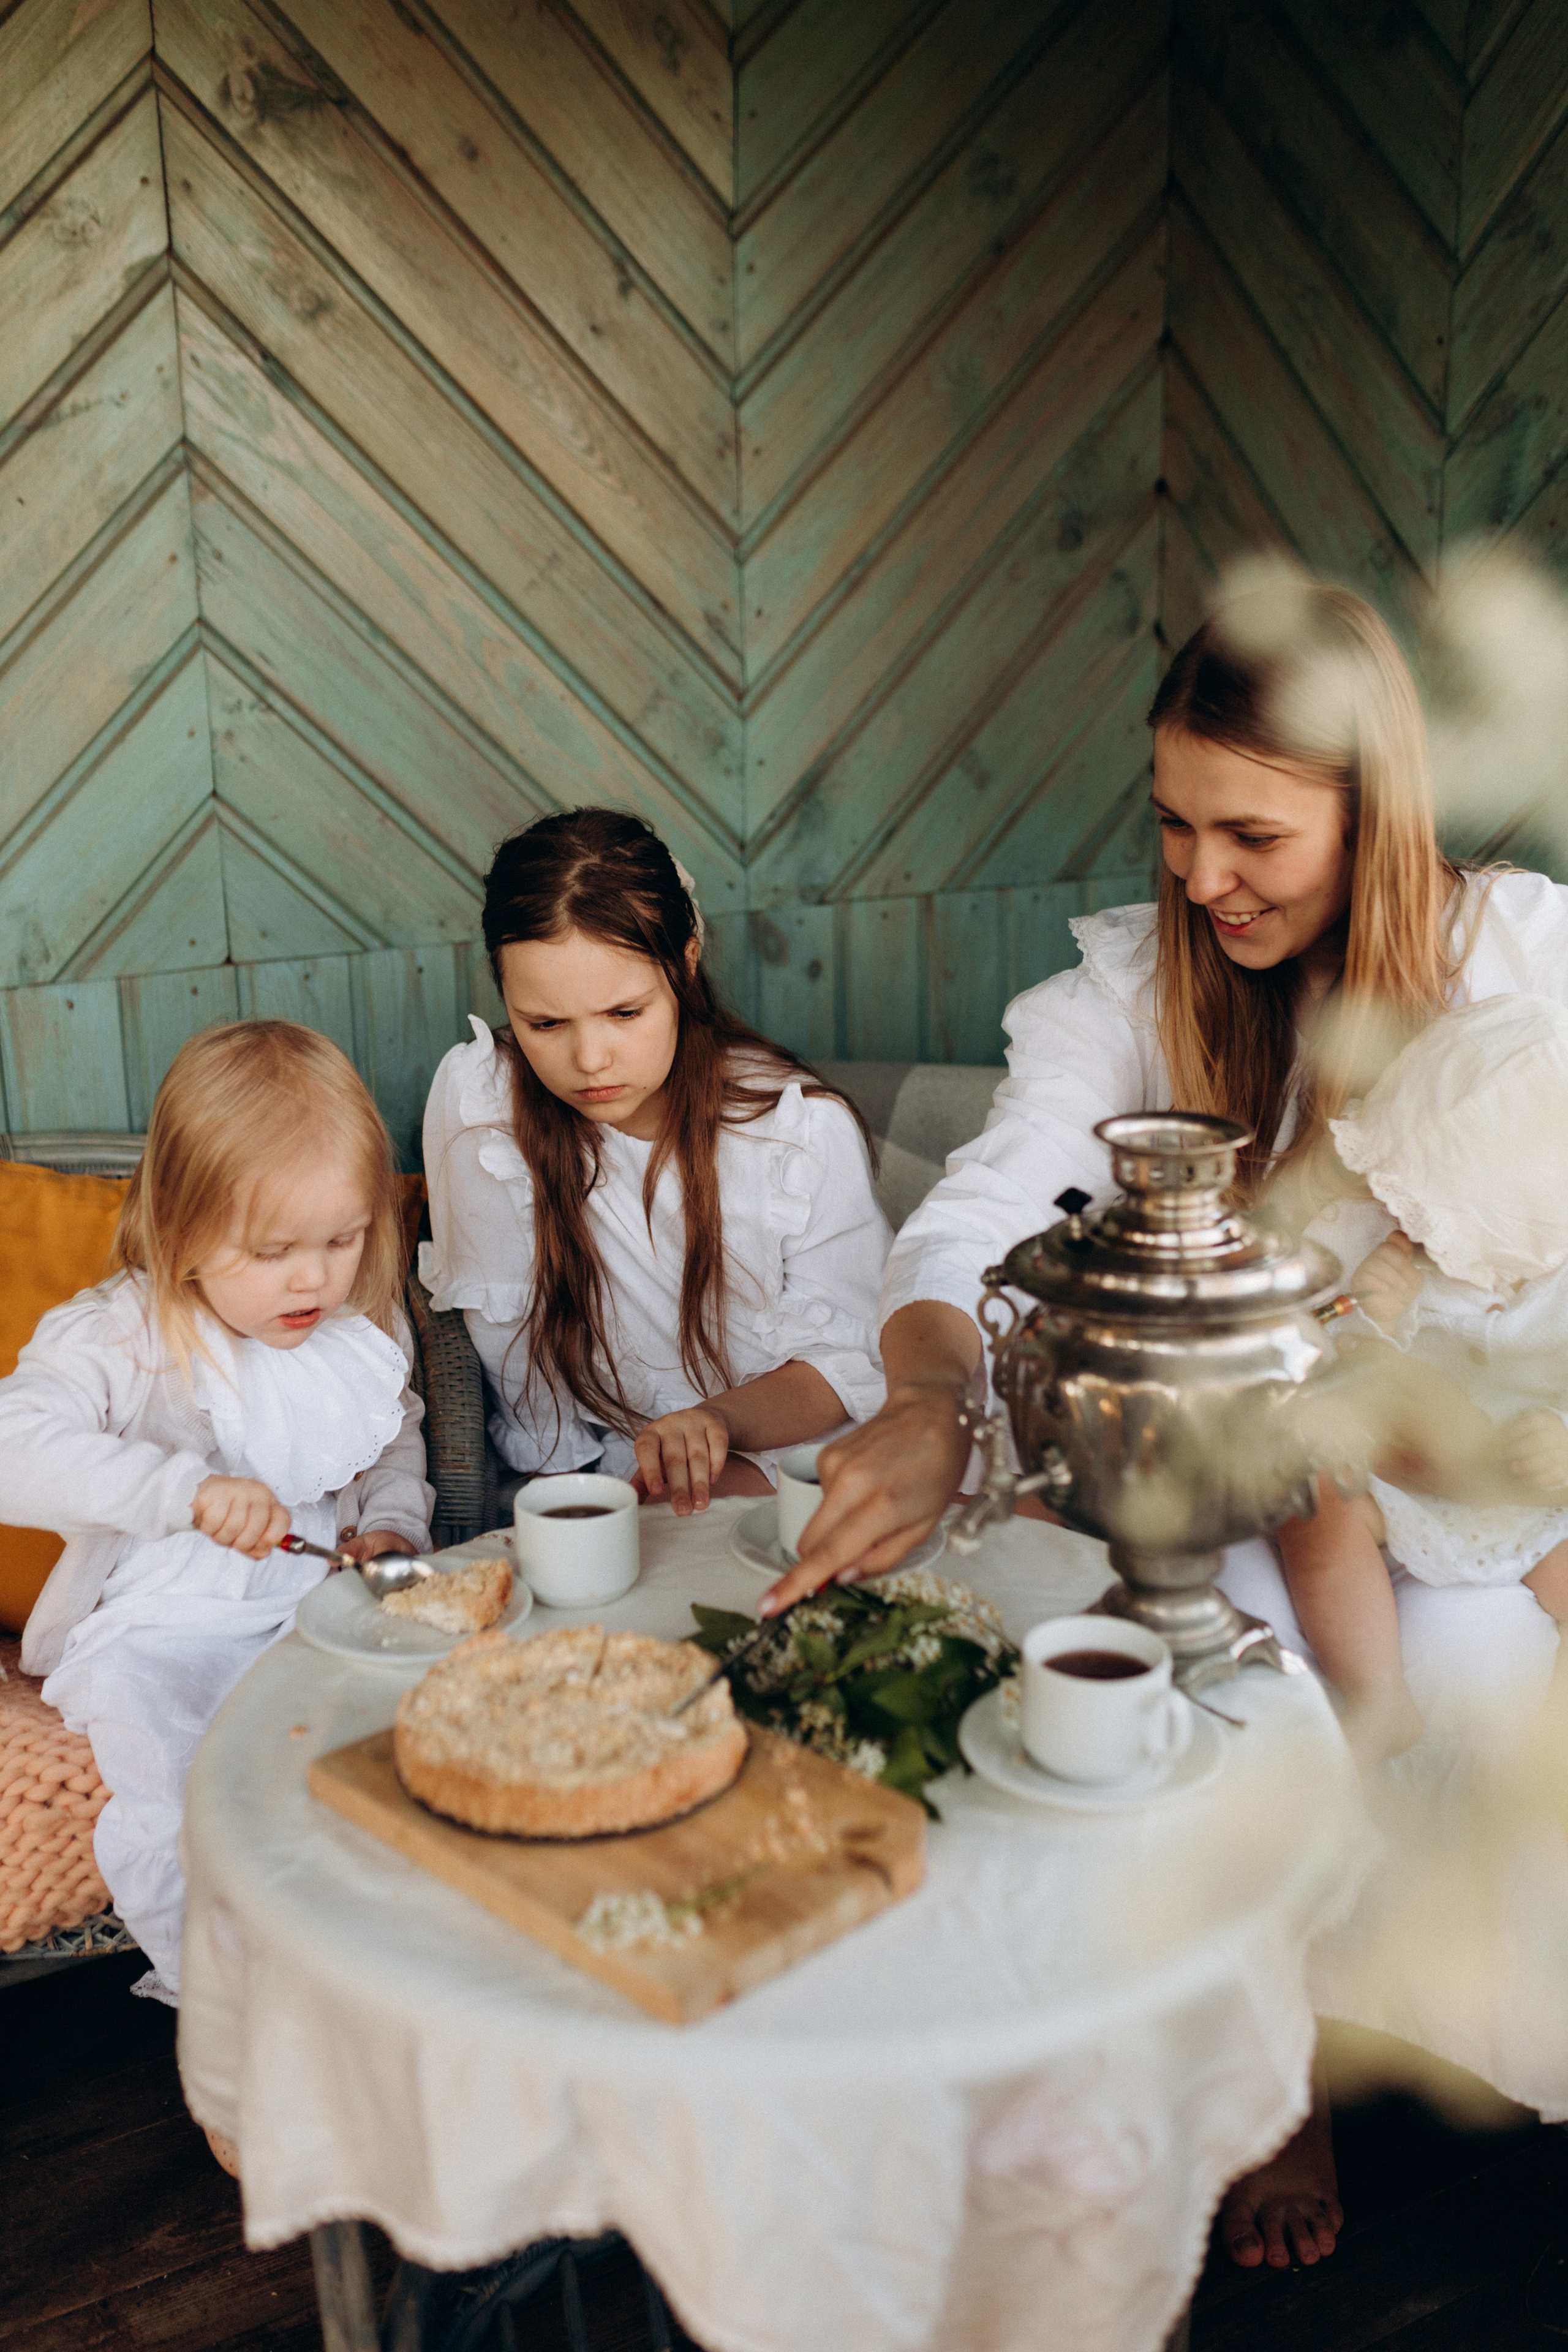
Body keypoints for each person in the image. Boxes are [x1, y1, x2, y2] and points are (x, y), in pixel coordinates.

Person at [764, 579, 1568, 2268]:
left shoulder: (1522, 960)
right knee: (1206, 1669)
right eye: (1175, 824)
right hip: (1248, 1476)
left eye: (1252, 834)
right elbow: (984, 1206)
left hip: (1474, 1459)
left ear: (1374, 810)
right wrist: (927, 1394)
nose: (1201, 877)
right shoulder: (1133, 989)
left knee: (1491, 1653)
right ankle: (1273, 2080)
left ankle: (1421, 2024)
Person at [2, 1022, 433, 2008]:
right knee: (175, 1781)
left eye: (343, 1239)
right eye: (273, 1250)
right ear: (181, 1223)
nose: (313, 1279)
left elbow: (391, 1435)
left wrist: (392, 1528)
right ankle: (234, 2001)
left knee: (379, 1754)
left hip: (309, 1608)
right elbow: (13, 1444)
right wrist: (180, 1492)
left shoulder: (351, 1325)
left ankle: (380, 1976)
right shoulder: (122, 1335)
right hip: (155, 1629)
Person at [420, 808, 889, 1513]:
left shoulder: (794, 1132)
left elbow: (849, 1366)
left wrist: (715, 1424)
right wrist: (571, 1506)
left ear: (685, 965)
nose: (589, 1060)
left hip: (806, 1447)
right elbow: (515, 1358)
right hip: (626, 1466)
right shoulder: (483, 1105)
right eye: (544, 1023)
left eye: (624, 1013)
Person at [1280, 995, 1568, 1760]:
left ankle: (1548, 1760)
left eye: (1438, 1216)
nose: (1410, 1226)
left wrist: (1559, 1438)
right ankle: (1378, 1696)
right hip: (1409, 1485)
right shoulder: (1392, 1244)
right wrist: (1370, 1314)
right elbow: (1322, 1353)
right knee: (1312, 1497)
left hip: (1533, 1504)